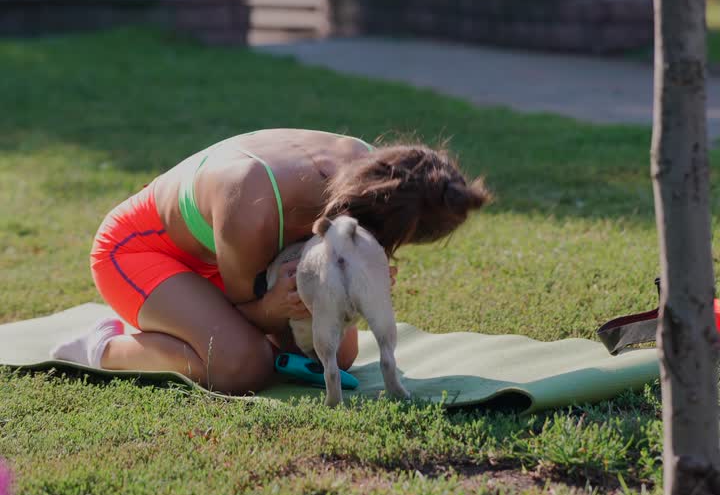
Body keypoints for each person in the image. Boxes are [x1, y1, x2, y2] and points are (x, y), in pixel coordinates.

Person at [52, 130, 490, 393]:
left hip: (227, 255)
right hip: (138, 251)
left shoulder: (368, 175)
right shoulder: (253, 201)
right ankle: (102, 348)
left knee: (337, 353)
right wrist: (273, 308)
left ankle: (189, 319)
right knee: (242, 366)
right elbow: (249, 309)